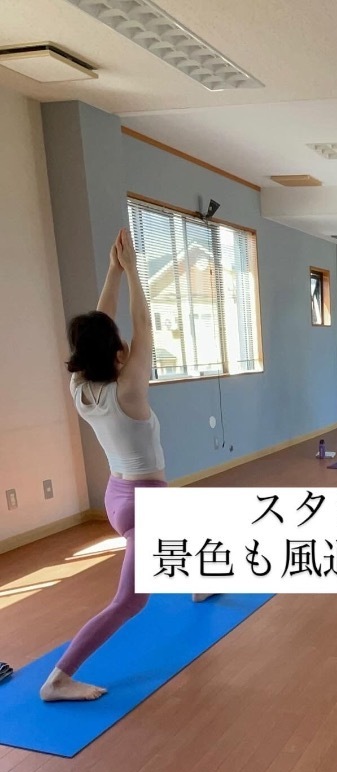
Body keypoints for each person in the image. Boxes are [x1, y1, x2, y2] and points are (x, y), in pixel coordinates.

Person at [40, 228, 209, 703]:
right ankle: (58, 679)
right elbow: (143, 326)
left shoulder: (81, 389)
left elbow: (103, 324)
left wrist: (113, 272)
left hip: (117, 495)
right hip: (146, 502)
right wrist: (133, 271)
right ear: (117, 354)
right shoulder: (128, 390)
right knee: (129, 602)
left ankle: (199, 585)